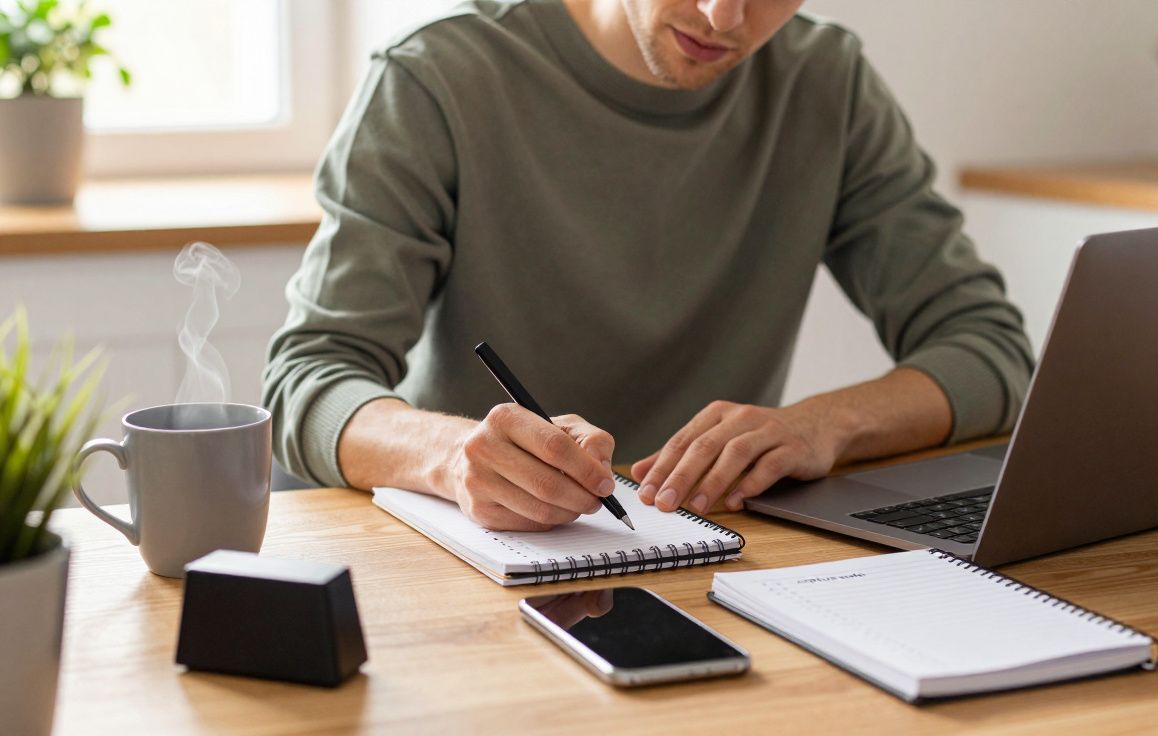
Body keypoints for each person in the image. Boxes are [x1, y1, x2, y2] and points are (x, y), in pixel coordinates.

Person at [263, 0, 1034, 532]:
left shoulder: (824, 81)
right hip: (474, 569)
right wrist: (449, 458)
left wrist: (824, 424)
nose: (723, 16)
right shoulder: (437, 77)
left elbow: (992, 353)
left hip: (715, 557)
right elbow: (309, 380)